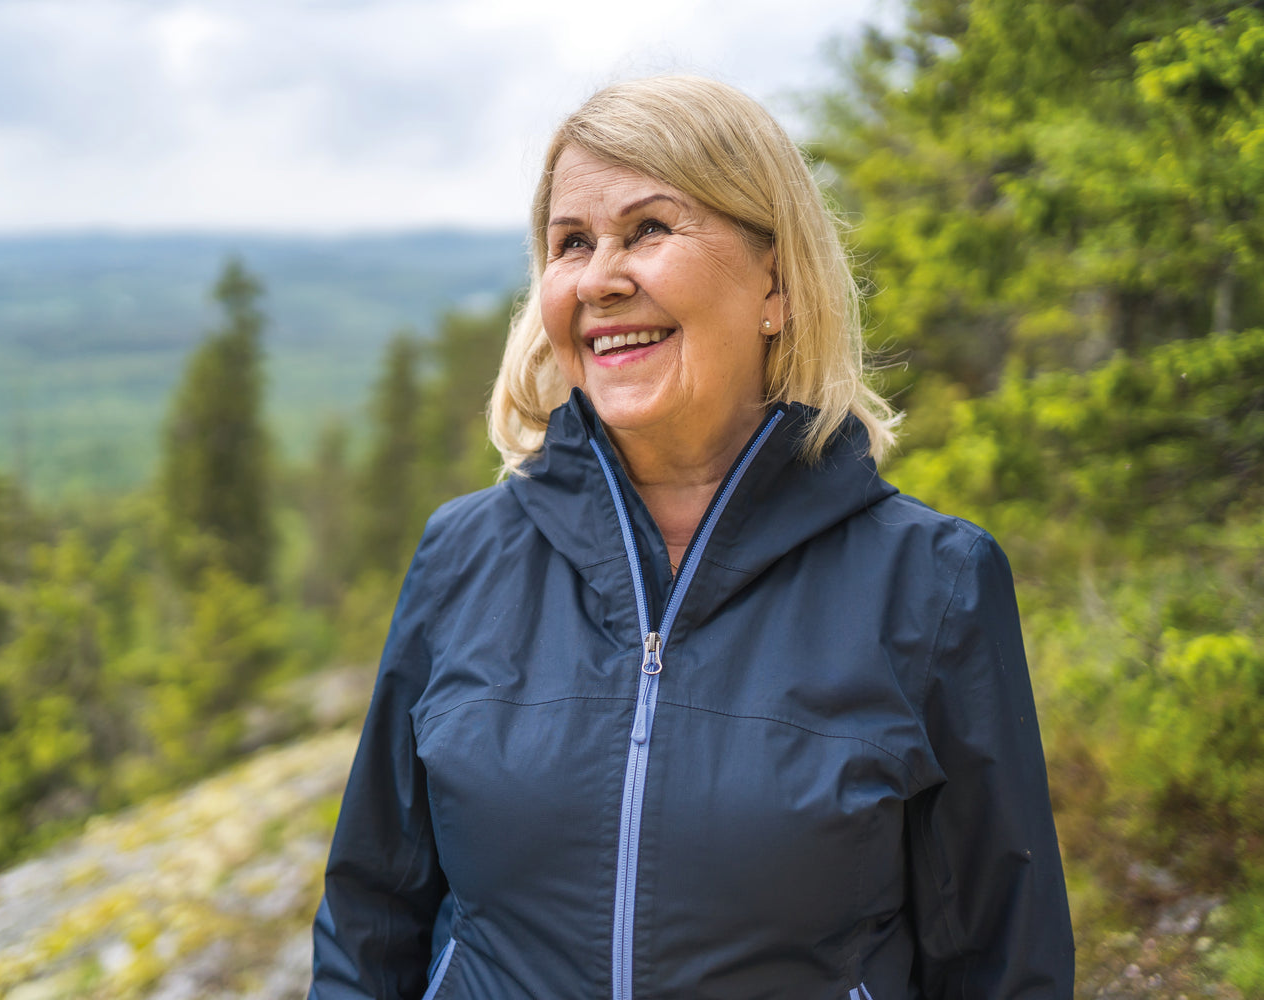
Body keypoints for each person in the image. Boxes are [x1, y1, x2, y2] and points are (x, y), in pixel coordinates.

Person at [309, 75, 1074, 999]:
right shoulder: (462, 556)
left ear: (777, 285)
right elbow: (370, 921)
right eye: (571, 244)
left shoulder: (933, 584)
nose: (601, 278)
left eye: (649, 230)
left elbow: (1002, 962)